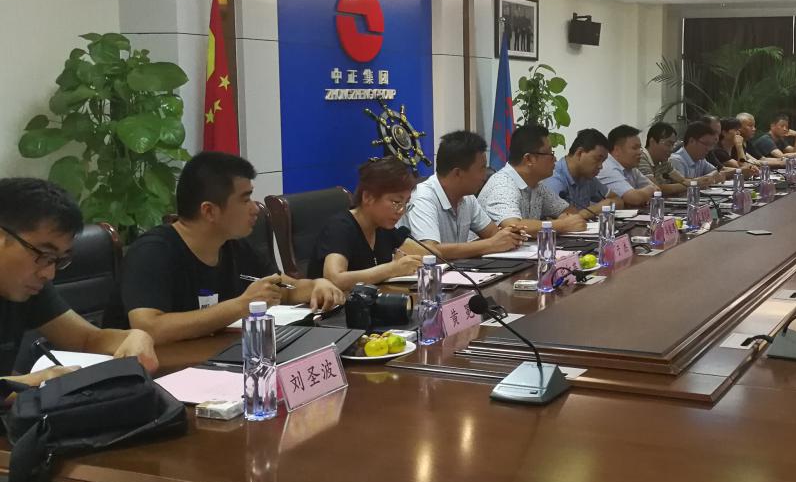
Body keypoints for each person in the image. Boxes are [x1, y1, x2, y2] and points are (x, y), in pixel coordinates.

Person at [121, 153, 345, 343]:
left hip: (214, 359)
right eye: (245, 200)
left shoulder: (234, 245)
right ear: (209, 211)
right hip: (157, 372)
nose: (255, 208)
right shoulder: (152, 252)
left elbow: (282, 288)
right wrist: (242, 305)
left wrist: (317, 285)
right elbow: (149, 327)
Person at [0, 178, 158, 386]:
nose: (49, 274)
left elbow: (86, 339)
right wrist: (32, 381)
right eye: (44, 255)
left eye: (58, 260)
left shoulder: (28, 286)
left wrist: (136, 336)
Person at [309, 158, 429, 290]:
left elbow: (424, 251)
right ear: (368, 197)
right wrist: (392, 269)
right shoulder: (340, 227)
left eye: (406, 203)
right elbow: (334, 279)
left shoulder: (383, 226)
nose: (401, 211)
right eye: (396, 202)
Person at [408, 130, 526, 258]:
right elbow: (429, 251)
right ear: (458, 173)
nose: (485, 175)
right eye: (481, 168)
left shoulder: (467, 197)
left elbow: (493, 234)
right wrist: (491, 244)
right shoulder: (423, 197)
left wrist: (510, 235)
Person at [478, 124, 587, 234]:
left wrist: (565, 217)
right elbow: (514, 227)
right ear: (529, 159)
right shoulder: (503, 185)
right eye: (549, 153)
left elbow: (569, 211)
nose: (555, 159)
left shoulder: (537, 186)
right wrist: (562, 225)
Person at [543, 128, 621, 213]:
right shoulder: (554, 178)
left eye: (603, 161)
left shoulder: (587, 177)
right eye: (598, 159)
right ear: (579, 153)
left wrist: (607, 204)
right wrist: (594, 210)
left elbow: (618, 200)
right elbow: (565, 218)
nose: (600, 166)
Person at [598, 124, 661, 207]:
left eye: (640, 148)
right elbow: (635, 198)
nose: (640, 152)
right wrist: (650, 190)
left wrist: (644, 194)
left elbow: (657, 191)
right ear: (617, 150)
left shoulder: (630, 167)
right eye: (635, 148)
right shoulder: (607, 167)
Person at [670, 121, 728, 185]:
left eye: (710, 145)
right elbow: (681, 186)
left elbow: (715, 171)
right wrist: (700, 181)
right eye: (706, 144)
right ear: (692, 141)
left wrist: (706, 178)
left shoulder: (700, 159)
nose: (709, 149)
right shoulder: (676, 160)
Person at [638, 121, 688, 196]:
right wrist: (690, 185)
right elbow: (655, 189)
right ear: (652, 142)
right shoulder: (641, 158)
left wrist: (698, 182)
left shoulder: (663, 160)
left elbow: (682, 180)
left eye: (673, 145)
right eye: (668, 144)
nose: (671, 149)